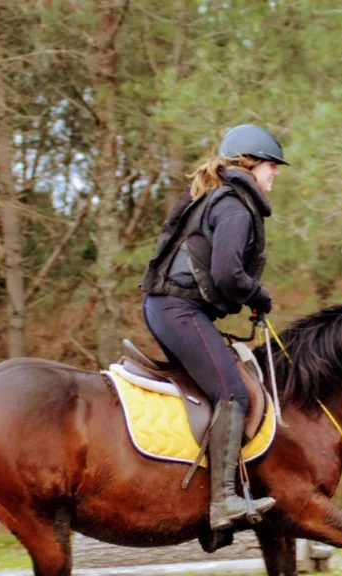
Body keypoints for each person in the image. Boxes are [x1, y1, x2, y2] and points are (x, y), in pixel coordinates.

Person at [139, 124, 287, 529]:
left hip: (169, 307)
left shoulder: (218, 200)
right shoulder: (236, 208)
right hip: (177, 310)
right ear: (251, 164)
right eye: (272, 166)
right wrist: (259, 296)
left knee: (212, 388)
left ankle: (199, 500)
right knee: (232, 391)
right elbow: (227, 274)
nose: (275, 173)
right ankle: (222, 501)